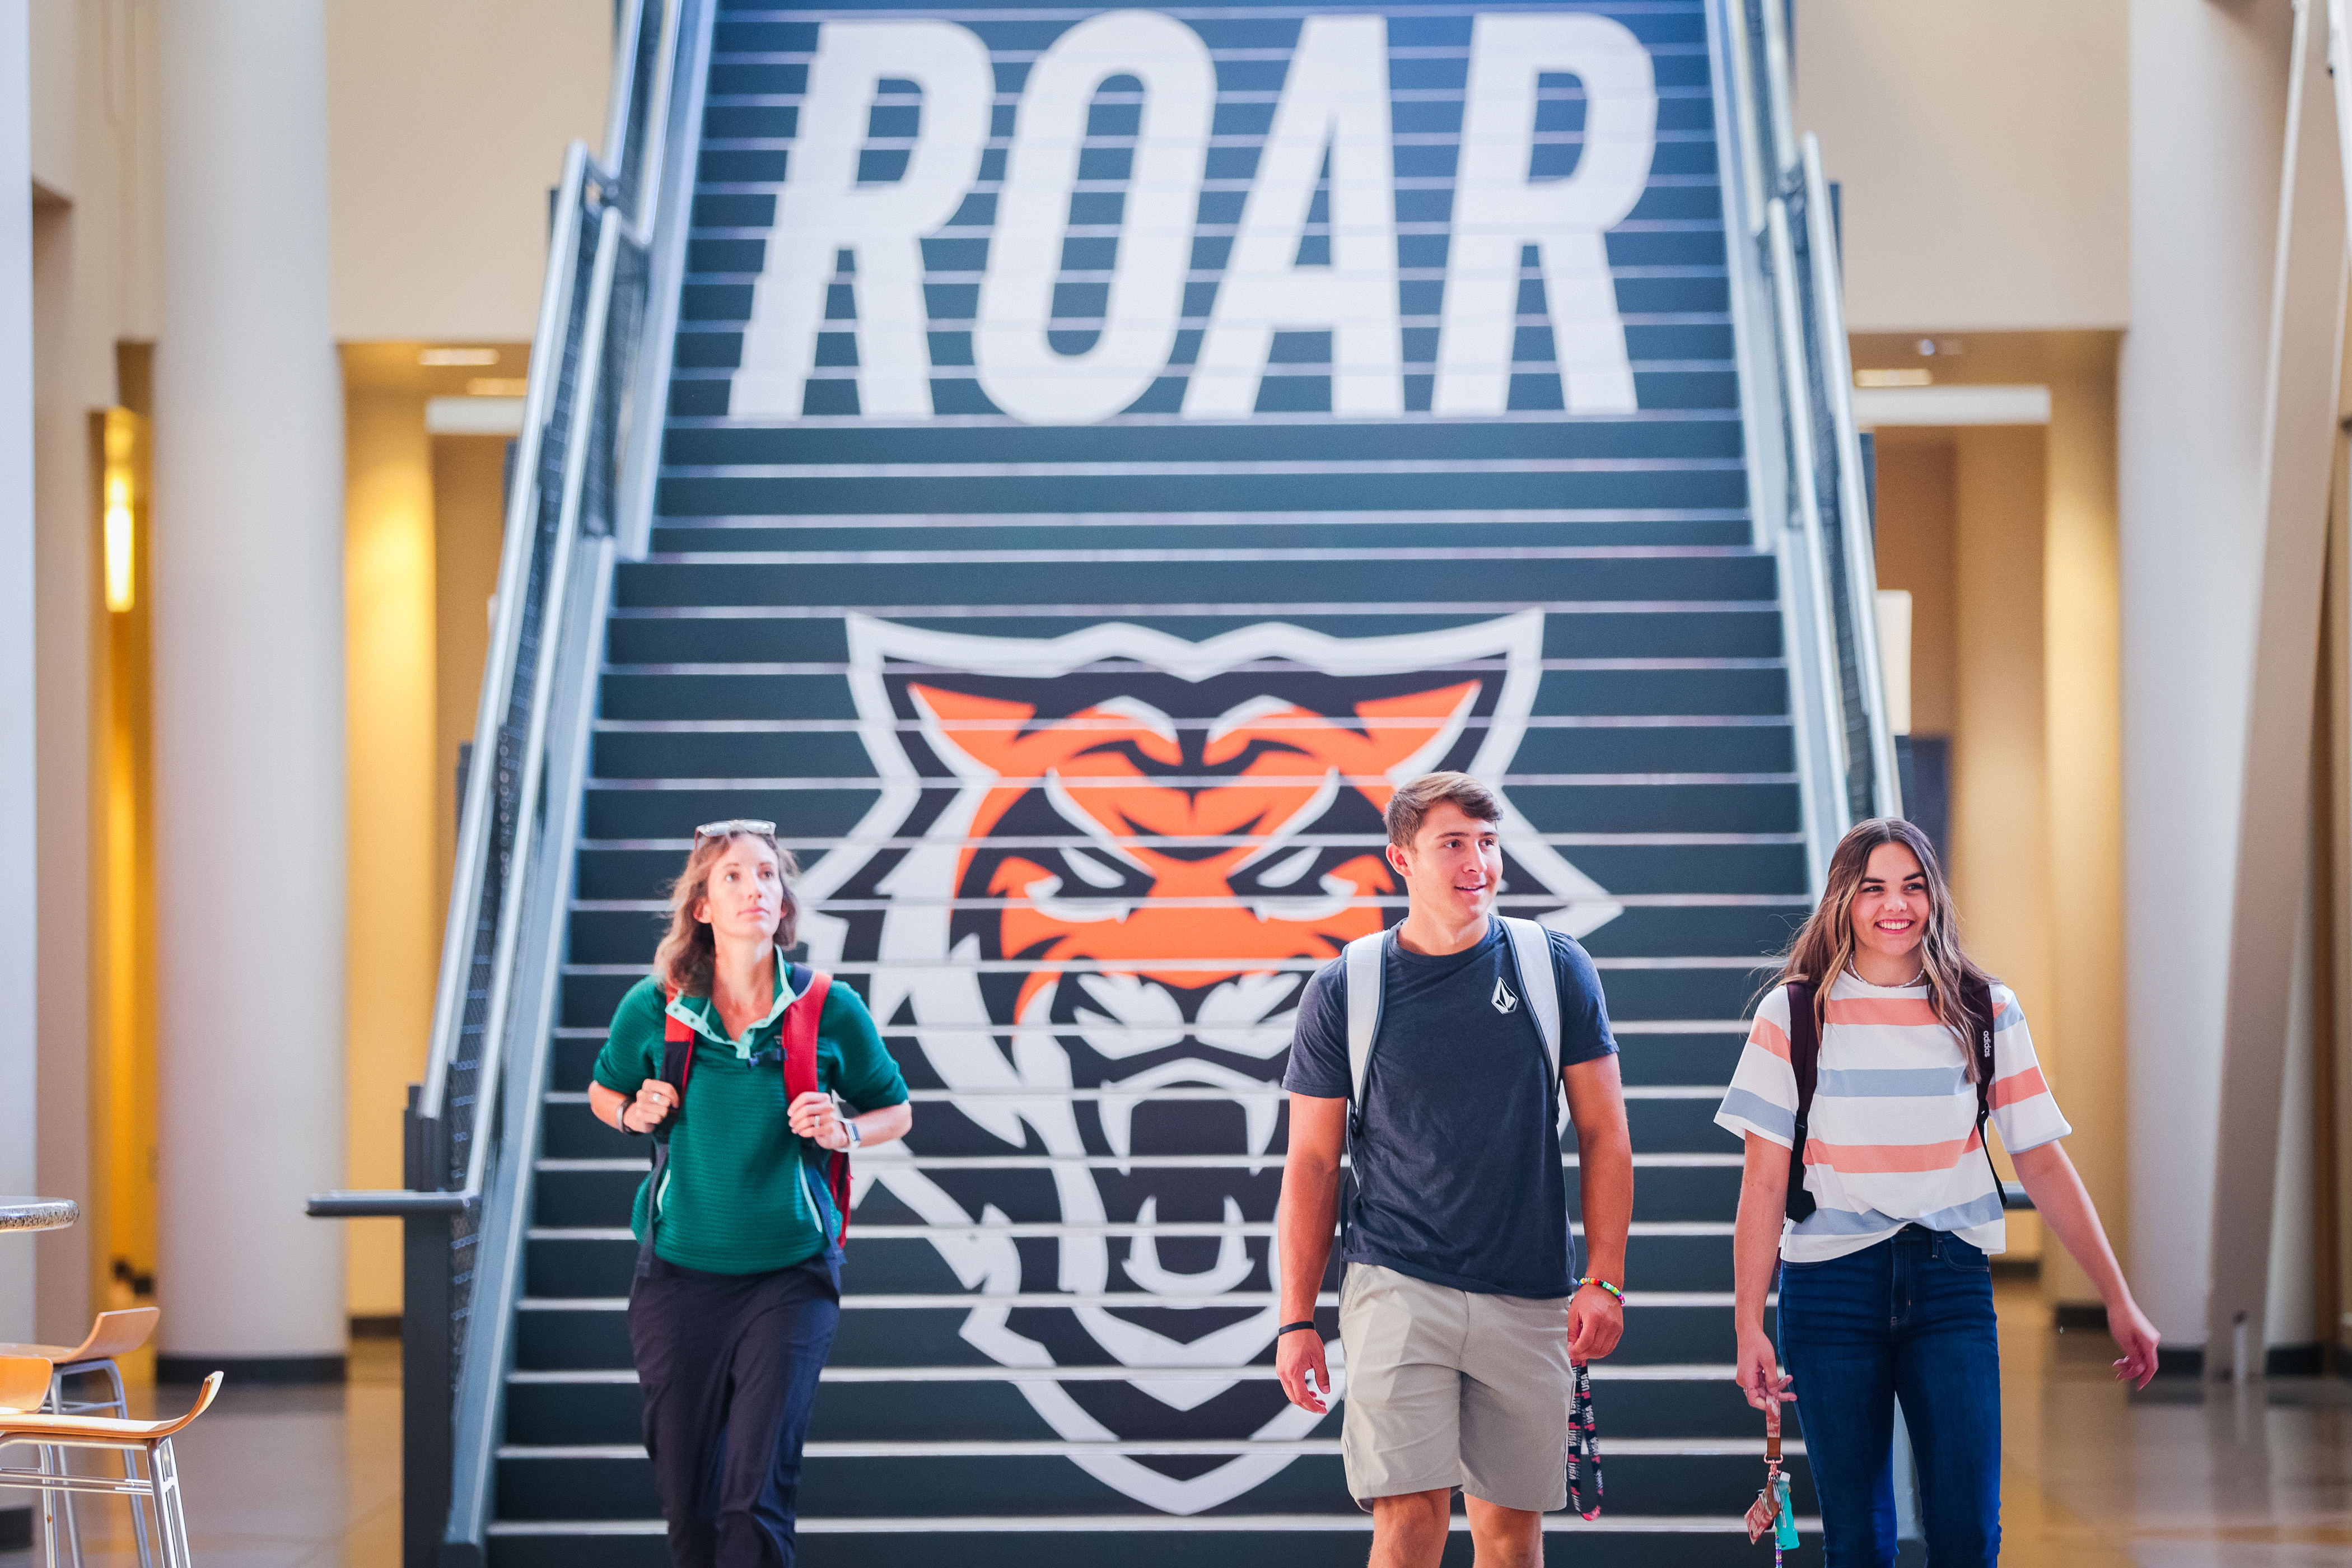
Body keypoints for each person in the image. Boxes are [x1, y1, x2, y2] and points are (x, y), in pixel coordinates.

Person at [1717, 816, 2159, 1567]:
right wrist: (1748, 1324)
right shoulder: (1792, 1016)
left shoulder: (1984, 1010)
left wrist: (2117, 1296)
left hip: (1949, 1284)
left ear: (1935, 899)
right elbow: (1762, 1184)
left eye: (1913, 887)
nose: (1897, 906)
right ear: (1843, 901)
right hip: (1830, 1289)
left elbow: (2043, 1164)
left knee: (1966, 1533)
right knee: (1859, 1539)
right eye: (1874, 888)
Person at [1275, 771, 1635, 1568]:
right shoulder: (1346, 988)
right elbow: (1310, 1162)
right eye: (1453, 845)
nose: (1478, 862)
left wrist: (1604, 1277)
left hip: (1529, 1289)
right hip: (1396, 1283)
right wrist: (1296, 1317)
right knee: (1408, 1526)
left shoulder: (1554, 968)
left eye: (1488, 843)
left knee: (1511, 1542)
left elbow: (1606, 1133)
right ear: (1401, 858)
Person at [586, 819, 911, 1567]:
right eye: (733, 876)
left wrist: (845, 1131)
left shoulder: (829, 1007)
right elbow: (603, 1093)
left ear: (784, 902)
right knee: (691, 1505)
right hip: (677, 1279)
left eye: (767, 875)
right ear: (702, 905)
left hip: (790, 1277)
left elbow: (897, 1108)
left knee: (754, 1496)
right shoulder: (655, 1007)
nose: (754, 888)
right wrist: (632, 1112)